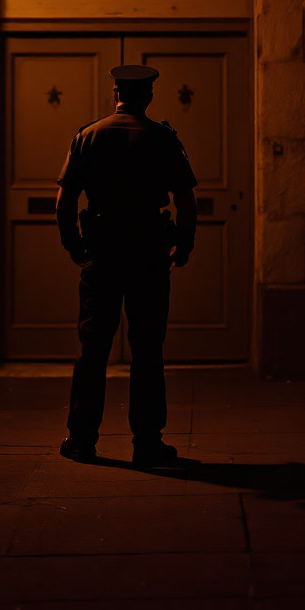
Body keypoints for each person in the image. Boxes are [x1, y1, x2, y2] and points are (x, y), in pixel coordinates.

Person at [54, 64, 198, 467]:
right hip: (149, 253)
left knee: (93, 347)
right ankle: (148, 442)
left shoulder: (88, 136)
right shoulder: (163, 139)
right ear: (148, 97)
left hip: (102, 251)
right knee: (148, 347)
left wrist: (74, 246)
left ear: (115, 92)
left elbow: (65, 201)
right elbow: (185, 198)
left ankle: (82, 439)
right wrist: (183, 245)